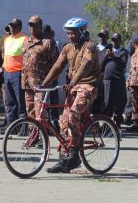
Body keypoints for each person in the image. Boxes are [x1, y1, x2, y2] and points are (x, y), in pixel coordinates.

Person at [42, 17, 101, 173]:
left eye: (73, 33)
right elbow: (57, 66)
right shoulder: (68, 47)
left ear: (81, 31)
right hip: (74, 87)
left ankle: (74, 155)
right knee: (63, 121)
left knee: (73, 115)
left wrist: (73, 81)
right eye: (68, 33)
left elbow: (86, 65)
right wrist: (44, 83)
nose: (70, 36)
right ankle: (64, 159)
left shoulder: (89, 47)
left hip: (88, 86)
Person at [21, 16, 59, 119]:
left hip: (41, 84)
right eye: (30, 25)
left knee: (40, 113)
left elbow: (57, 64)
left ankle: (43, 134)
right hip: (27, 83)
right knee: (30, 112)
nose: (31, 27)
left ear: (40, 26)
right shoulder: (26, 42)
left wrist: (49, 80)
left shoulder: (47, 43)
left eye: (34, 25)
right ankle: (33, 134)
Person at [1, 18, 27, 128]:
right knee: (10, 101)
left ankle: (23, 126)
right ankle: (12, 126)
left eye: (15, 26)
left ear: (20, 27)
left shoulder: (24, 39)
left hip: (18, 73)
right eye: (11, 26)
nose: (12, 28)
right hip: (7, 73)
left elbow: (26, 57)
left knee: (20, 100)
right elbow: (4, 54)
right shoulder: (7, 39)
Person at [102, 33, 128, 127]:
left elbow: (123, 64)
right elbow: (102, 65)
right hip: (108, 80)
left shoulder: (123, 51)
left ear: (120, 41)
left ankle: (117, 123)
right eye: (112, 39)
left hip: (118, 80)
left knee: (119, 102)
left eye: (116, 40)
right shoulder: (107, 50)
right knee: (107, 102)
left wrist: (113, 57)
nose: (114, 41)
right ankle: (106, 124)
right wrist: (106, 56)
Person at [91, 29, 109, 114]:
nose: (101, 38)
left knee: (106, 99)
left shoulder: (110, 48)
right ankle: (95, 119)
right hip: (95, 77)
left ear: (107, 37)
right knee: (96, 98)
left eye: (103, 36)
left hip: (106, 77)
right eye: (100, 36)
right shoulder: (94, 48)